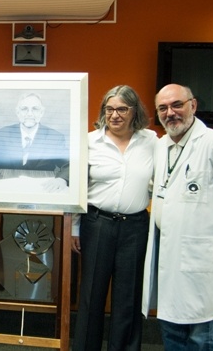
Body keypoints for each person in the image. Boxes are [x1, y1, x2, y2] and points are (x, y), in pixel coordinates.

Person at [142, 84, 213, 351]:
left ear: (193, 105)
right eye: (163, 108)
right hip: (168, 254)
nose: (170, 113)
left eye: (177, 105)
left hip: (199, 255)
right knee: (170, 325)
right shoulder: (161, 146)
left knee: (198, 333)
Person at [70, 85, 157, 351]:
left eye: (121, 109)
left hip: (135, 227)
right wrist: (75, 227)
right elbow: (78, 186)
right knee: (91, 296)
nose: (114, 115)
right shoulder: (89, 141)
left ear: (134, 111)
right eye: (109, 109)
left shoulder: (152, 141)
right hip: (97, 224)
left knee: (128, 298)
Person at [0, 92, 69, 191]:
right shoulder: (2, 134)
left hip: (41, 190)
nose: (29, 114)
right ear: (17, 112)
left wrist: (62, 179)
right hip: (7, 189)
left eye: (35, 109)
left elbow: (70, 164)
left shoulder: (55, 137)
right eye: (24, 109)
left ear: (42, 112)